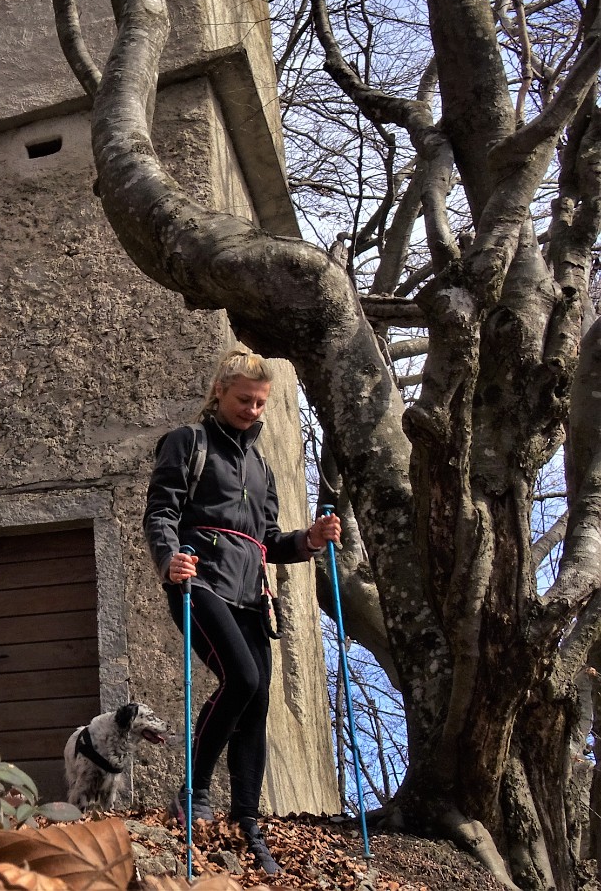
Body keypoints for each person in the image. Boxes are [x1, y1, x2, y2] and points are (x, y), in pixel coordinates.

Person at [143, 346, 340, 875]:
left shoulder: (260, 468)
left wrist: (312, 541)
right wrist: (169, 560)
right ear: (220, 393)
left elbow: (270, 541)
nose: (252, 410)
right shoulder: (190, 442)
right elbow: (162, 508)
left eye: (260, 404)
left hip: (252, 594)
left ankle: (248, 822)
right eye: (244, 400)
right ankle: (194, 788)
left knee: (257, 704)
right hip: (198, 579)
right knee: (242, 677)